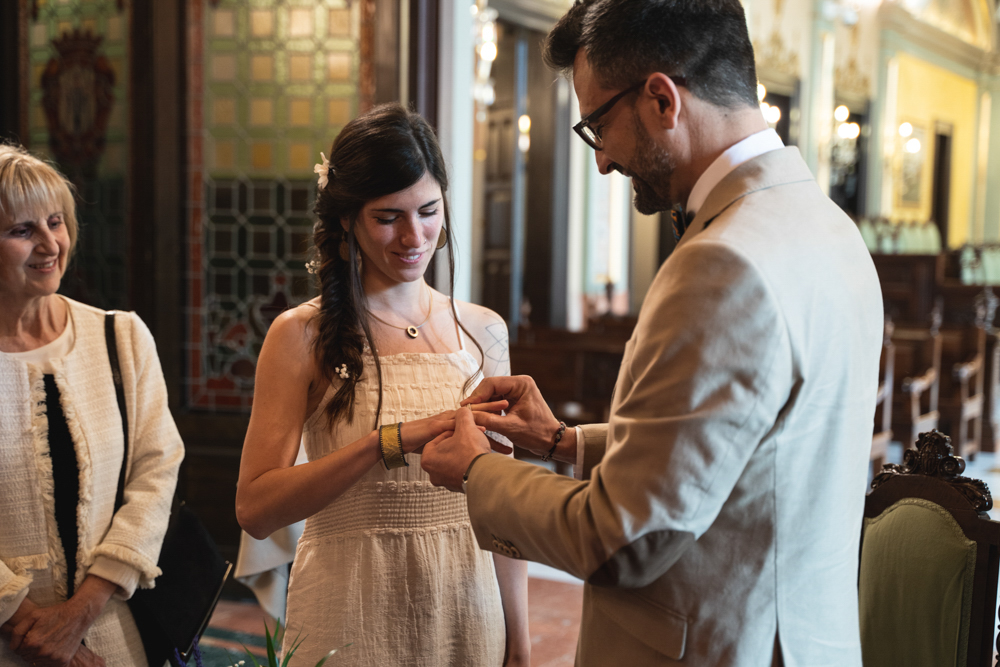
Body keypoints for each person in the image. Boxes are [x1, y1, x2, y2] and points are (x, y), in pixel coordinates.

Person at [420, 1, 884, 665]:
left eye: (597, 126)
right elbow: (749, 448)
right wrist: (561, 442)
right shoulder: (829, 228)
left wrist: (478, 470)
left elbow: (624, 539)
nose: (604, 161)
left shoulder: (723, 263)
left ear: (661, 98)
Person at [235, 104, 530, 667]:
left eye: (429, 210)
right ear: (347, 218)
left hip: (468, 606)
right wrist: (388, 441)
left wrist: (520, 642)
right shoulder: (301, 334)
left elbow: (504, 504)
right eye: (388, 217)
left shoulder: (484, 328)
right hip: (350, 612)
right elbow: (255, 507)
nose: (414, 236)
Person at [0, 145, 184, 667]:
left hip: (110, 631)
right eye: (21, 230)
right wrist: (25, 622)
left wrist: (81, 611)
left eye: (55, 222)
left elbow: (157, 470)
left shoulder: (118, 337)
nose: (49, 244)